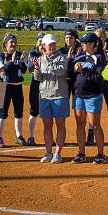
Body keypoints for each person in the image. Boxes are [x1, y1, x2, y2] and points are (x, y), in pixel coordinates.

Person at [70, 33, 106, 164]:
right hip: (78, 95)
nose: (82, 44)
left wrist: (85, 71)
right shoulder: (79, 56)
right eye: (82, 42)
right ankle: (81, 153)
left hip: (93, 95)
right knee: (80, 124)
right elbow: (72, 73)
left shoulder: (99, 58)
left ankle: (101, 153)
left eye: (85, 42)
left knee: (95, 125)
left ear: (92, 44)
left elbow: (99, 77)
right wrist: (74, 68)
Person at [33, 34, 69, 163]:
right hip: (44, 97)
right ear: (44, 46)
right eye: (50, 44)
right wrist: (37, 68)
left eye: (53, 43)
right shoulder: (40, 59)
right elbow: (38, 78)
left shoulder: (62, 57)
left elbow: (60, 71)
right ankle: (48, 153)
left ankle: (57, 153)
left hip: (59, 95)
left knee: (60, 124)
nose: (52, 46)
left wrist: (47, 60)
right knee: (47, 125)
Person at [0, 33, 27, 147]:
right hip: (6, 87)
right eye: (11, 42)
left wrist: (23, 61)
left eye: (15, 42)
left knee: (19, 112)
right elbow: (1, 70)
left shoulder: (19, 55)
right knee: (3, 113)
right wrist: (11, 61)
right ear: (5, 45)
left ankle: (19, 136)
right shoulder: (1, 56)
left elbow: (24, 71)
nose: (13, 44)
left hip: (18, 86)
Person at [94, 28, 108, 137]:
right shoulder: (92, 49)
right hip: (96, 82)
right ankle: (90, 133)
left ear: (105, 37)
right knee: (92, 109)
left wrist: (103, 52)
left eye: (100, 37)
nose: (98, 39)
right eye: (96, 37)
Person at [27, 32, 45, 146]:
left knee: (48, 112)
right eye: (40, 41)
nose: (41, 43)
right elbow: (29, 69)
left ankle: (49, 138)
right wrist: (36, 64)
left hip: (47, 84)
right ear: (37, 42)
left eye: (44, 41)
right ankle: (31, 137)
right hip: (35, 83)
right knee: (34, 111)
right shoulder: (33, 54)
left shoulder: (50, 53)